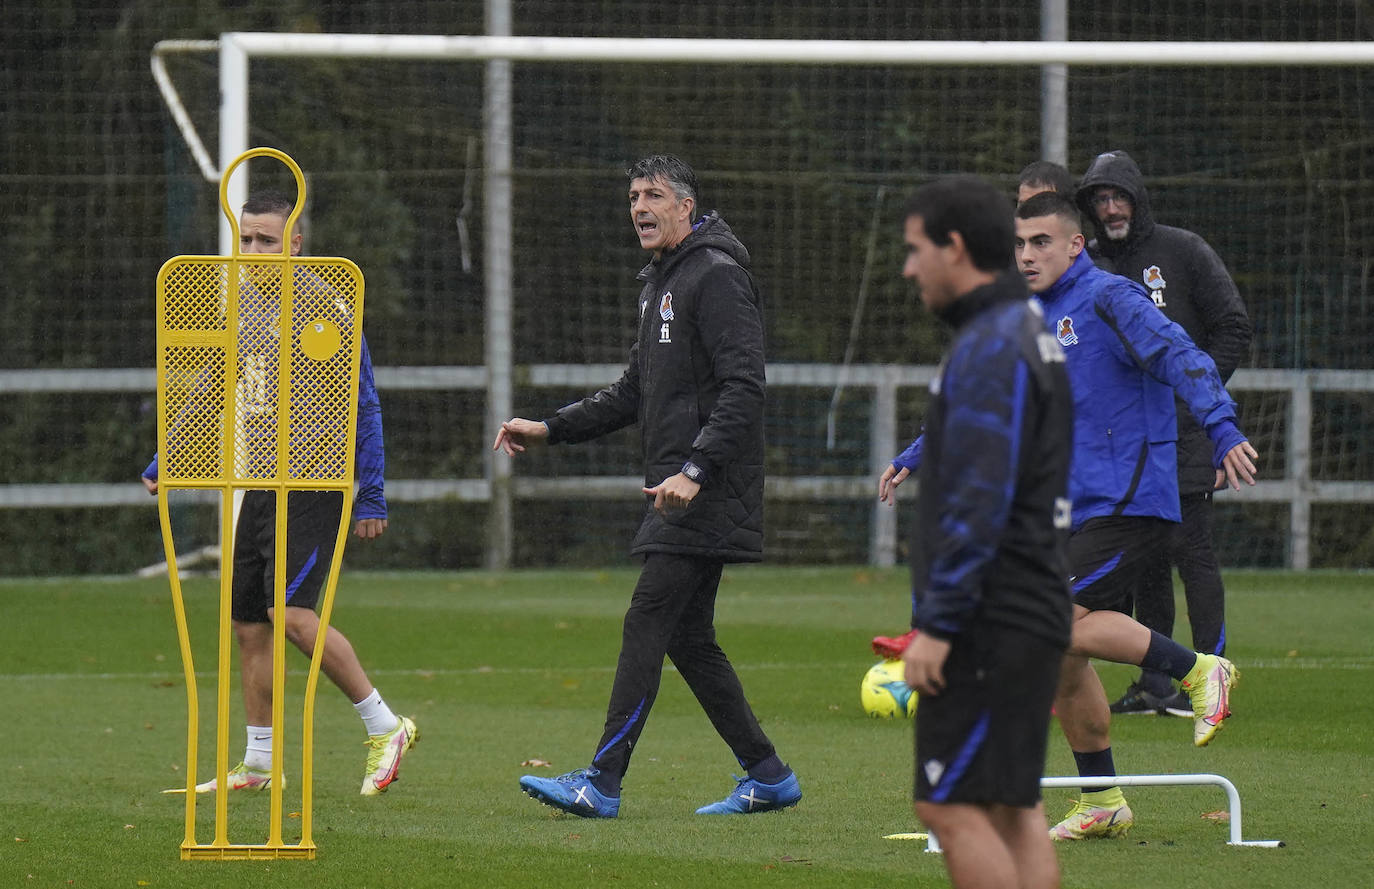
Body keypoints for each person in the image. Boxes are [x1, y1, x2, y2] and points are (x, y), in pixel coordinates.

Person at [495, 155, 800, 819]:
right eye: (633, 193)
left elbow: (745, 384)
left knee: (648, 617)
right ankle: (768, 772)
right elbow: (636, 389)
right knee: (689, 638)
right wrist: (548, 428)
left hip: (704, 485)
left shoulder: (715, 275)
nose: (639, 205)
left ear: (686, 207)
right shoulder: (661, 280)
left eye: (654, 194)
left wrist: (694, 470)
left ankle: (602, 779)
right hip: (678, 485)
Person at [142, 190, 417, 796]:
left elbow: (363, 400)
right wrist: (171, 455)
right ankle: (260, 761)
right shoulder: (239, 303)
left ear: (294, 243)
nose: (254, 250)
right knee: (247, 624)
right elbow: (215, 383)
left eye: (267, 240)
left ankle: (386, 725)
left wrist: (370, 492)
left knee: (289, 614)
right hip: (260, 482)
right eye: (246, 239)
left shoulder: (324, 303)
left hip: (313, 482)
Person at [1012, 191, 1255, 839]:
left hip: (1137, 498)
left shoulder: (1112, 298)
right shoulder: (1036, 315)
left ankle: (1203, 669)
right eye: (1019, 243)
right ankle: (1101, 798)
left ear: (1074, 244)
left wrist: (1223, 427)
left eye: (1041, 241)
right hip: (1081, 508)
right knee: (1062, 650)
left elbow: (1185, 354)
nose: (1026, 254)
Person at [898, 175, 1072, 889]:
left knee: (949, 805)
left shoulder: (993, 344)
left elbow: (980, 499)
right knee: (1011, 806)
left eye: (915, 250)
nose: (909, 268)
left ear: (955, 248)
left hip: (990, 616)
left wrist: (937, 624)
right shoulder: (1023, 329)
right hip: (1028, 604)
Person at [870, 157, 1080, 659]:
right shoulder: (1007, 304)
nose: (1027, 225)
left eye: (1039, 210)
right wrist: (915, 455)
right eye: (1021, 208)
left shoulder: (1093, 296)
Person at [1076, 150, 1252, 717]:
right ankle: (1156, 685)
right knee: (1144, 557)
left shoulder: (1182, 250)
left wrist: (1189, 399)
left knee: (1189, 549)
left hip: (1188, 433)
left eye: (1118, 196)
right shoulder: (1090, 266)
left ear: (1138, 197)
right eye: (1099, 199)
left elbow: (1233, 328)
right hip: (1123, 444)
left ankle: (1214, 671)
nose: (1110, 208)